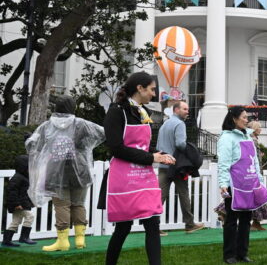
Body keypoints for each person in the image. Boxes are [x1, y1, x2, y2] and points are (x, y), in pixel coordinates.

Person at [99, 72, 175, 265]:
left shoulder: (143, 111)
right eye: (151, 89)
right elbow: (116, 148)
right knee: (123, 228)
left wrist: (160, 154)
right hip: (124, 177)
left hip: (144, 175)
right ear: (139, 88)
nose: (153, 94)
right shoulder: (116, 111)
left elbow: (141, 145)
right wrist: (151, 157)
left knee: (153, 222)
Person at [25, 95, 105, 251]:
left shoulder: (47, 126)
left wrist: (27, 139)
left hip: (55, 171)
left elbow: (33, 145)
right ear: (72, 107)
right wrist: (84, 145)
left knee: (61, 205)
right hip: (80, 171)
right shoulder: (81, 124)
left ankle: (63, 241)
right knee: (78, 204)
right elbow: (103, 133)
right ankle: (80, 239)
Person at [218, 107, 267, 264]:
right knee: (231, 220)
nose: (247, 120)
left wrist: (259, 181)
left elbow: (254, 161)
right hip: (234, 186)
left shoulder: (248, 136)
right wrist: (223, 183)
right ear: (234, 119)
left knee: (246, 220)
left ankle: (242, 253)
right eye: (244, 117)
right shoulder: (226, 138)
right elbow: (224, 163)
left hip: (249, 184)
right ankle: (229, 255)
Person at [156, 101, 204, 235]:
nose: (187, 111)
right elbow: (180, 144)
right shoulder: (179, 124)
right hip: (177, 166)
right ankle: (189, 224)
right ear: (176, 110)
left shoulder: (165, 124)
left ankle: (154, 226)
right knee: (184, 194)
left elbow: (159, 145)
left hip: (163, 164)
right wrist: (192, 151)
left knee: (160, 196)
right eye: (184, 109)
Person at [2, 155, 36, 247]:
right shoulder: (17, 178)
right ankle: (24, 237)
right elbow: (12, 192)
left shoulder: (24, 177)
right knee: (30, 217)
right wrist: (16, 204)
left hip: (22, 203)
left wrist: (31, 203)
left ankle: (6, 240)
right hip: (19, 204)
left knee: (15, 222)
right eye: (28, 167)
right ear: (23, 167)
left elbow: (25, 193)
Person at [248, 120, 267, 232]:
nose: (261, 129)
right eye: (259, 127)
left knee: (256, 198)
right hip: (254, 173)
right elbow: (252, 156)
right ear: (254, 129)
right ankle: (255, 222)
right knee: (257, 197)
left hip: (254, 172)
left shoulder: (253, 139)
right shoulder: (253, 140)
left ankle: (256, 222)